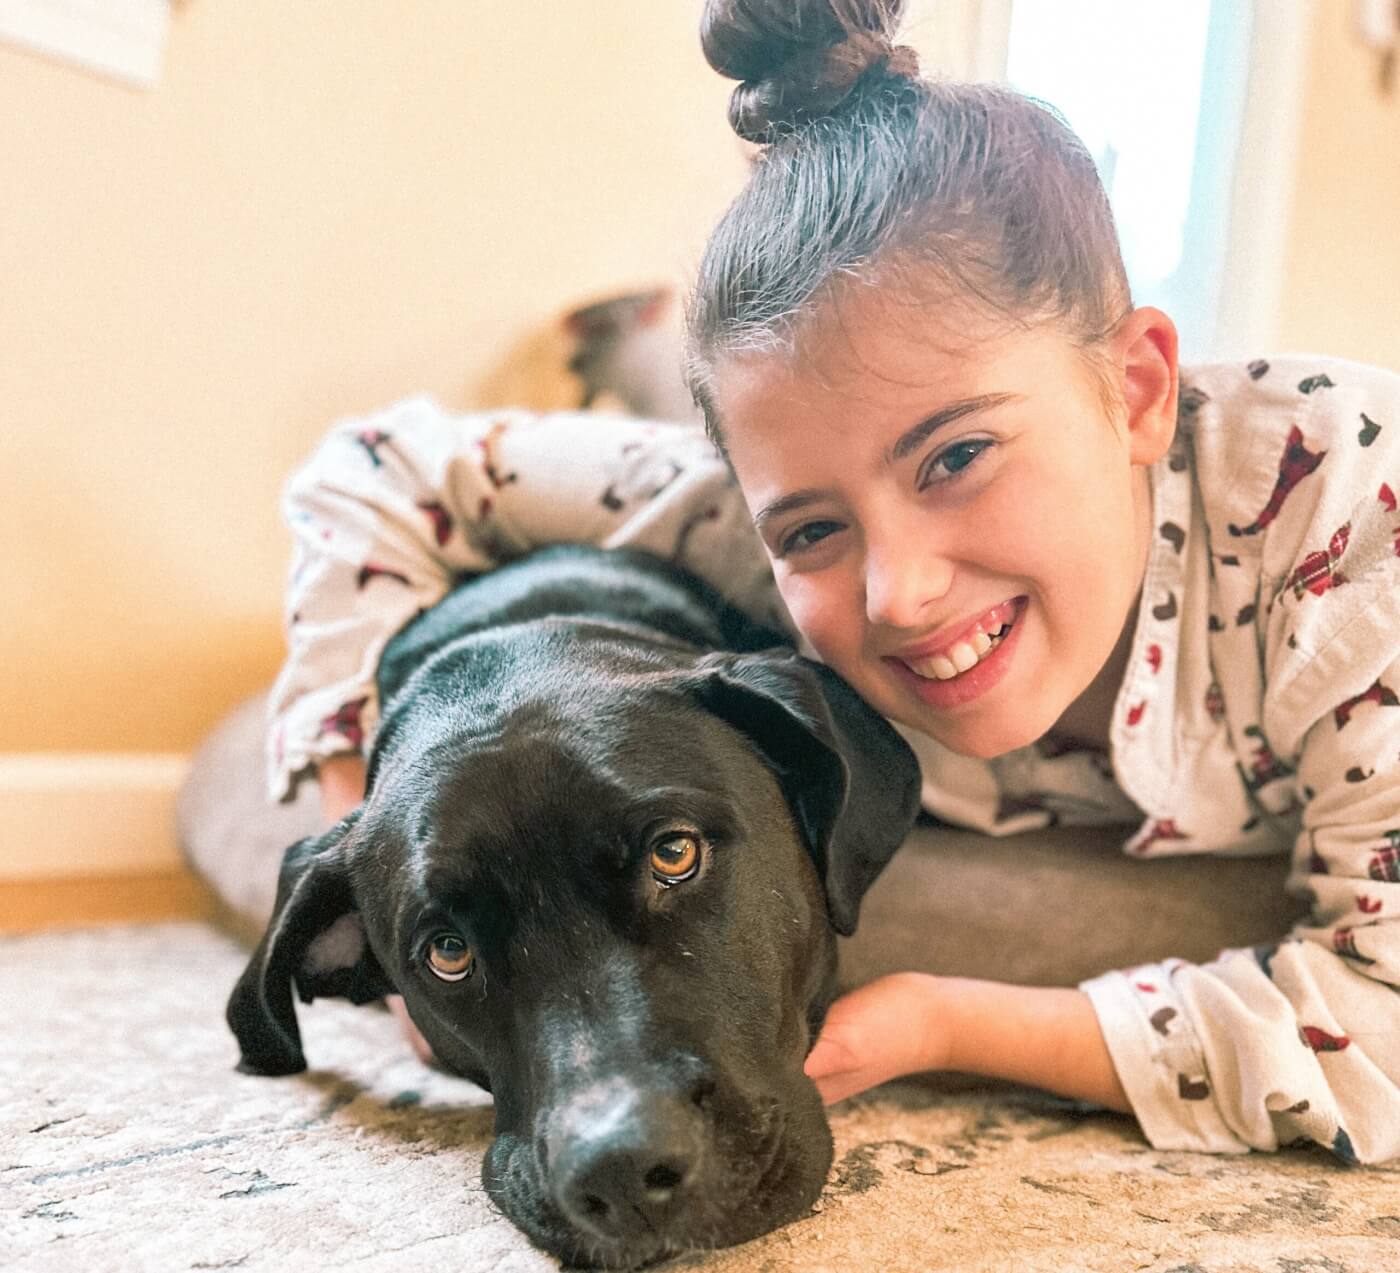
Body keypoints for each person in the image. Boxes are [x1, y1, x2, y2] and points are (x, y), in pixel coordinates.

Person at [266, 0, 1399, 1163]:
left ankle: (642, 354)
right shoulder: (732, 518)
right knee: (700, 467)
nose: (897, 593)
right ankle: (649, 364)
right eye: (812, 531)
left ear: (1140, 389)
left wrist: (946, 1019)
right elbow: (374, 469)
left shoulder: (1355, 534)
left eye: (955, 457)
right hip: (695, 468)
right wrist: (366, 826)